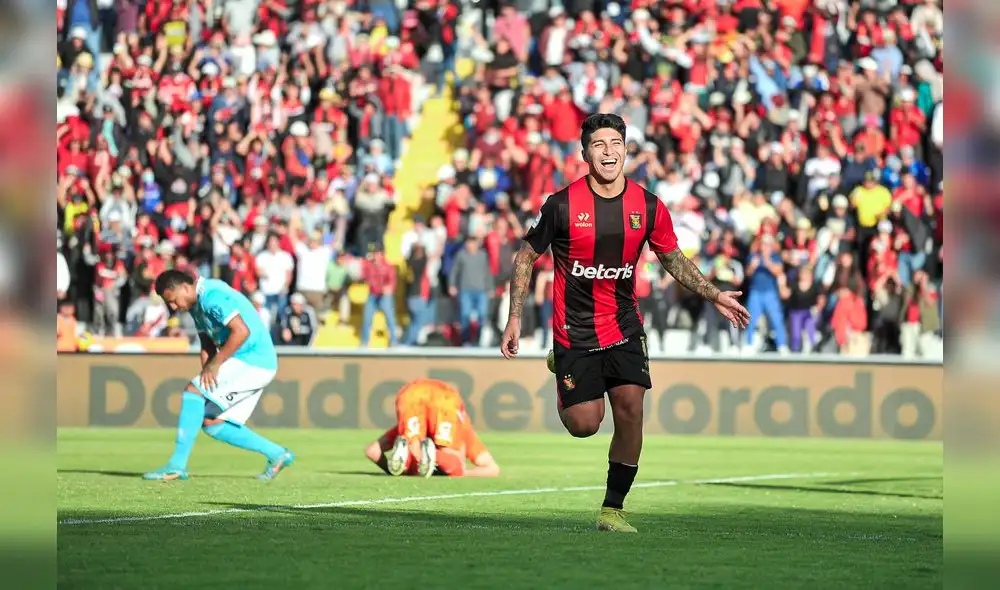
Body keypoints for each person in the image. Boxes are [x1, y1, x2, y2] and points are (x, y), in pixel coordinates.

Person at [500, 113, 750, 533]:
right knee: (584, 425)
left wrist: (714, 294)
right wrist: (514, 317)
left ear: (626, 150)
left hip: (624, 325)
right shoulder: (562, 205)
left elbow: (672, 258)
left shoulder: (648, 205)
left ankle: (612, 510)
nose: (608, 151)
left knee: (631, 410)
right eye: (598, 144)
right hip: (574, 330)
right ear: (585, 155)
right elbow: (526, 255)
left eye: (615, 143)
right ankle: (560, 363)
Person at [143, 270, 294, 481]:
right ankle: (277, 454)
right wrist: (207, 373)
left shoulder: (212, 296)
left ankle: (176, 466)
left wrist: (213, 368)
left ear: (185, 288)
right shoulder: (196, 306)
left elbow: (241, 331)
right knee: (212, 423)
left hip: (253, 360)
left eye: (174, 301)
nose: (173, 307)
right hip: (247, 362)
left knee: (192, 392)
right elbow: (207, 345)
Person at [363, 378, 500, 478]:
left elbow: (372, 451)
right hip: (445, 399)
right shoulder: (464, 429)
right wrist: (462, 473)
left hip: (411, 392)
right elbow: (492, 469)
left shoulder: (400, 430)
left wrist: (394, 470)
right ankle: (429, 456)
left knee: (414, 449)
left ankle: (406, 460)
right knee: (455, 465)